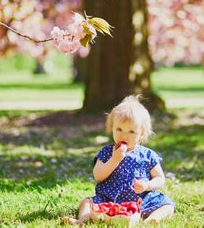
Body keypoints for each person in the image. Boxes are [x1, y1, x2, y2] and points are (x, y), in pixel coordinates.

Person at [65, 95, 175, 225]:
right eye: (119, 129)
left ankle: (151, 219)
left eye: (131, 131)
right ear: (112, 128)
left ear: (141, 135)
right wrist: (114, 159)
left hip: (140, 200)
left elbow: (160, 179)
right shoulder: (106, 152)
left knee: (167, 205)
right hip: (109, 200)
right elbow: (98, 176)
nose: (124, 135)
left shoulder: (148, 155)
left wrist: (147, 185)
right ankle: (82, 220)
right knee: (86, 202)